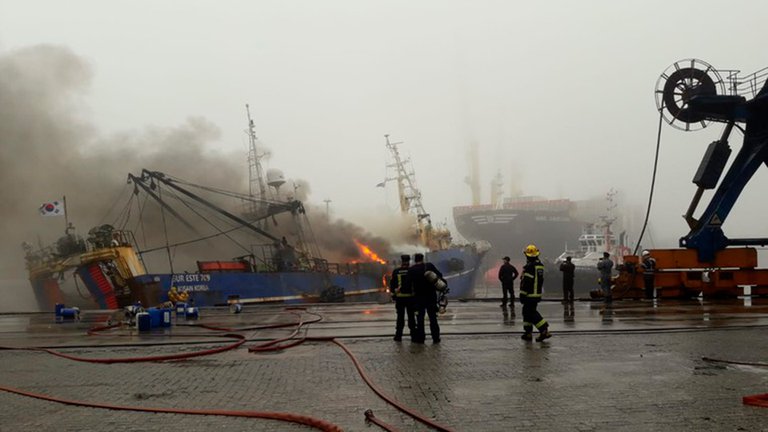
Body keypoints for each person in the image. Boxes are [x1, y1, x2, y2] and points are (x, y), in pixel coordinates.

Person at [408, 253, 444, 344]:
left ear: (414, 260)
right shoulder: (429, 266)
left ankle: (421, 338)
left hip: (418, 298)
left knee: (420, 319)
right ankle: (436, 337)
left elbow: (408, 284)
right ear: (422, 259)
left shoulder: (411, 270)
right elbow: (440, 275)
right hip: (431, 297)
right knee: (433, 318)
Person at [519, 244, 552, 342]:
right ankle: (528, 333)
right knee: (526, 312)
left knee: (531, 313)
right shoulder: (539, 266)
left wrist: (522, 294)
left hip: (529, 294)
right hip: (536, 294)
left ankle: (544, 330)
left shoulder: (529, 267)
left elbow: (527, 282)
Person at [389, 254, 415, 341]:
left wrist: (393, 294)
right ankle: (413, 335)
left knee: (400, 317)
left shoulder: (396, 271)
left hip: (400, 299)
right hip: (411, 298)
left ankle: (398, 335)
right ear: (409, 261)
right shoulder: (412, 271)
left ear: (402, 261)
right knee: (411, 317)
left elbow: (392, 285)